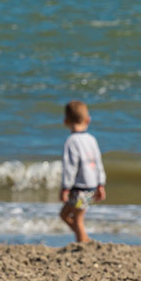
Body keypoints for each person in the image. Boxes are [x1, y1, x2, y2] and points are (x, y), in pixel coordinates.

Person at [58, 101, 106, 243]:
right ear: (88, 120)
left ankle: (82, 243)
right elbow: (98, 163)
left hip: (79, 189)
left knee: (77, 219)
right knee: (65, 215)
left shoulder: (71, 141)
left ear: (66, 121)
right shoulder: (91, 139)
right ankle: (85, 238)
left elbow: (70, 166)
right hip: (90, 187)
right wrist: (101, 184)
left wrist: (65, 188)